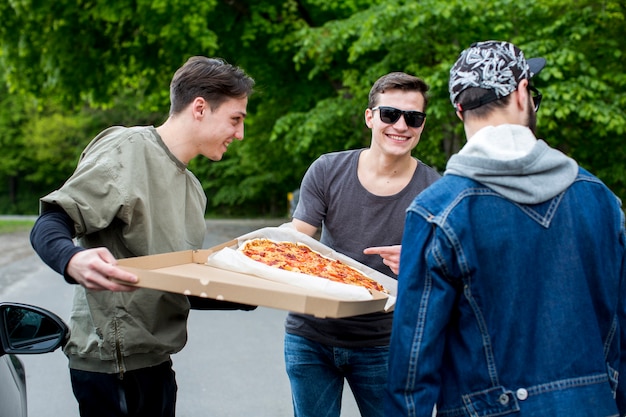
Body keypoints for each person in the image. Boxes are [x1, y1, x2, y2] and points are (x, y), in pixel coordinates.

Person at [386, 40, 626, 416]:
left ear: (460, 109)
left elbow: (412, 367)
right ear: (522, 93)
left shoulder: (437, 212)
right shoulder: (602, 201)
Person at [29, 56, 256, 417]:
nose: (240, 134)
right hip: (111, 370)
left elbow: (170, 284)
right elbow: (52, 220)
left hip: (156, 366)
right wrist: (71, 259)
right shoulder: (127, 150)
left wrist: (256, 290)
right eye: (236, 119)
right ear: (200, 108)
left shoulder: (193, 189)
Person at [286, 71, 441, 417]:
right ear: (370, 116)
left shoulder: (435, 189)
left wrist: (419, 261)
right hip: (311, 335)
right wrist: (271, 241)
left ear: (422, 125)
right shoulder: (327, 169)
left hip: (385, 342)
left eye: (413, 118)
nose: (401, 125)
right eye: (390, 114)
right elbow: (296, 241)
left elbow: (447, 270)